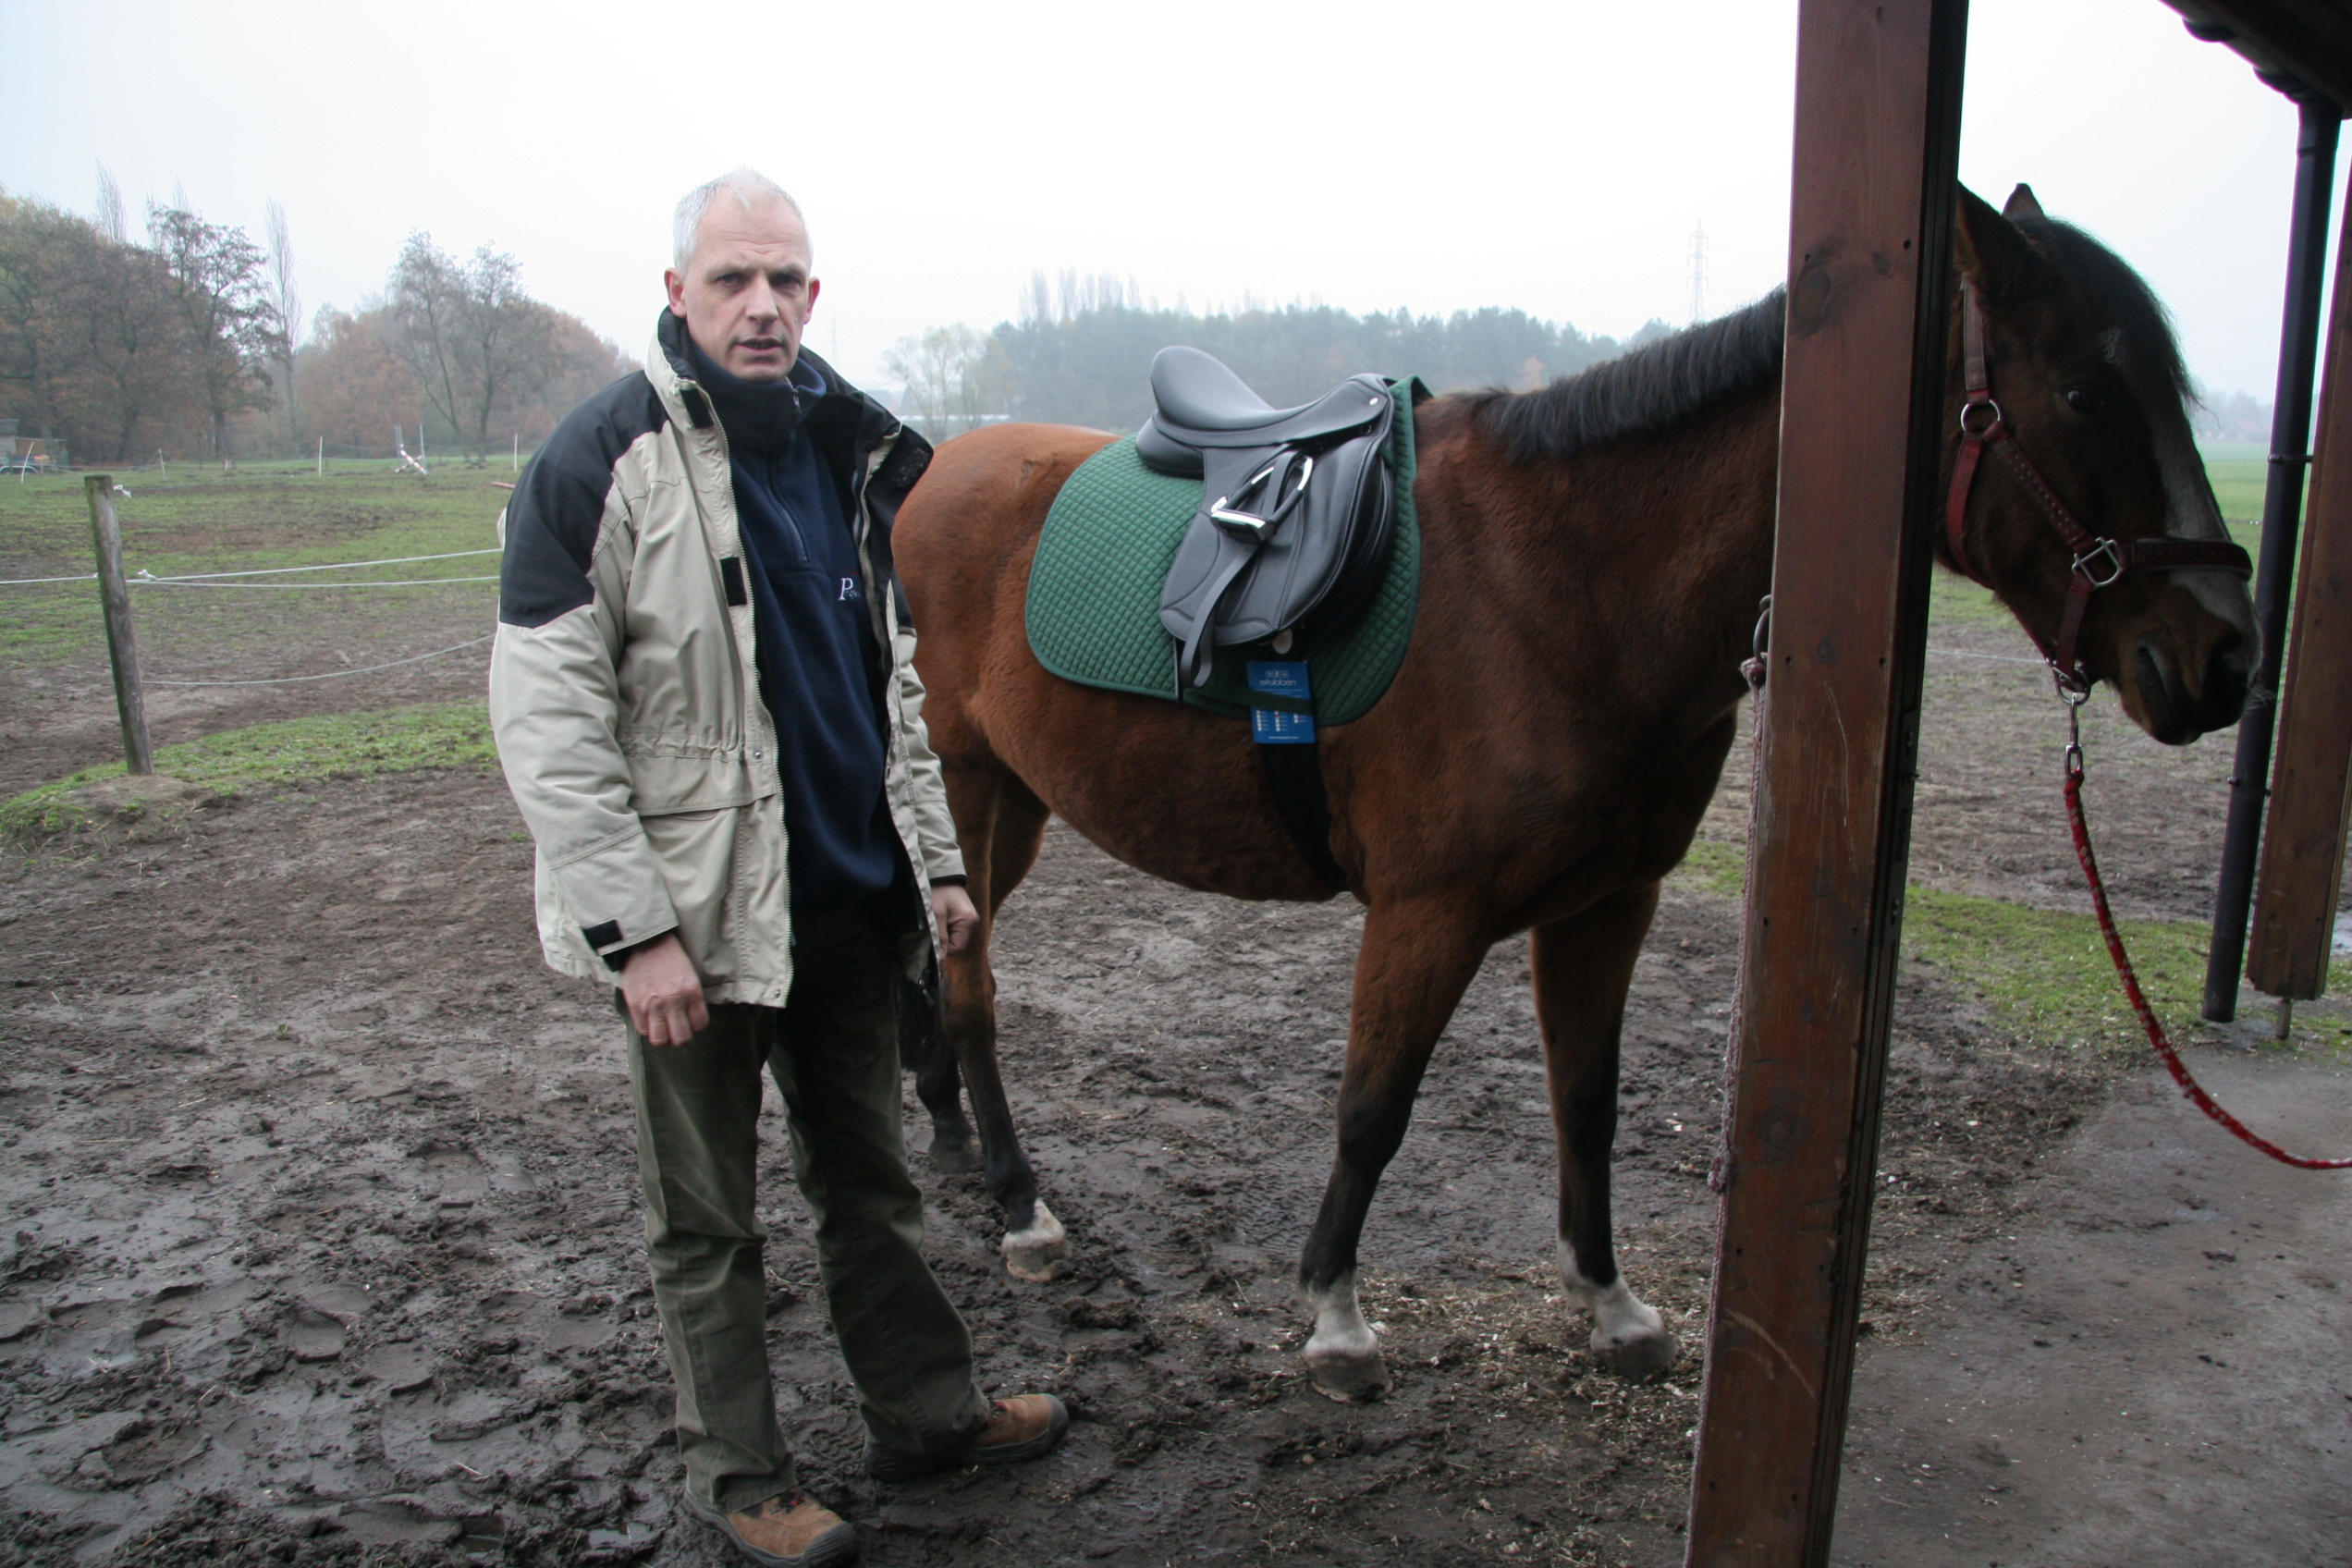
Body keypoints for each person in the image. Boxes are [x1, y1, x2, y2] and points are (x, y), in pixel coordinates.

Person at [488, 167, 1066, 1568]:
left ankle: (923, 1417)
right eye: (734, 279)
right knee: (709, 1221)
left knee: (872, 1186)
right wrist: (637, 937)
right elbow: (549, 728)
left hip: (848, 914)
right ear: (677, 293)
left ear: (815, 293)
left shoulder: (844, 456)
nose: (763, 306)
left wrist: (932, 864)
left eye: (786, 279)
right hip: (697, 926)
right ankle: (741, 1479)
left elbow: (885, 697)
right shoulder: (595, 466)